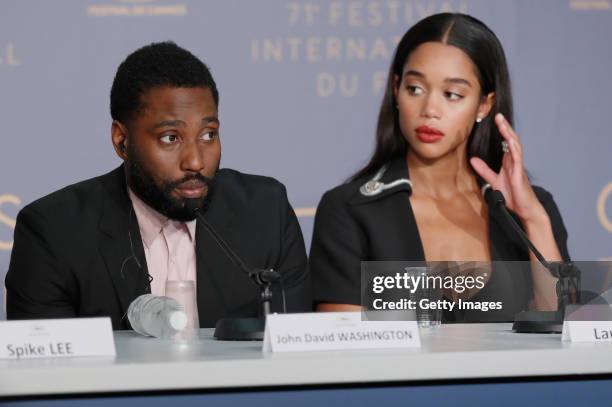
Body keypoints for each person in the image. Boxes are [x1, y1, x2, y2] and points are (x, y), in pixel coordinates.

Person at [6, 42, 309, 329]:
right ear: (121, 140)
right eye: (170, 138)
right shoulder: (54, 232)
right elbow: (48, 372)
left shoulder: (265, 211)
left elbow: (295, 354)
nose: (195, 162)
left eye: (208, 135)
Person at [309, 13, 570, 321]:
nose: (430, 110)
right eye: (415, 89)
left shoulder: (529, 212)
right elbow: (343, 348)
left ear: (484, 105)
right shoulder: (349, 210)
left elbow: (561, 330)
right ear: (396, 89)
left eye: (452, 95)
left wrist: (533, 218)